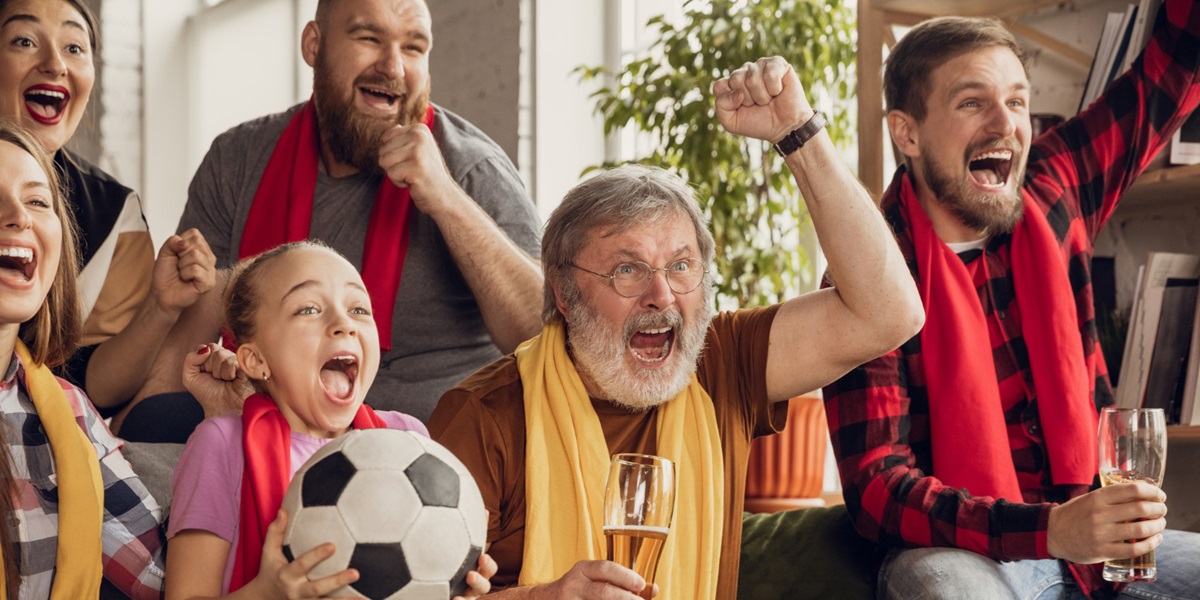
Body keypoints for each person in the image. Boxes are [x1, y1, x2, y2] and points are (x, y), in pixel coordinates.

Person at [428, 56, 926, 599]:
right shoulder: (483, 416)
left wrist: (797, 133)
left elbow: (890, 313)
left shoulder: (720, 364)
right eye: (627, 270)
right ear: (564, 293)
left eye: (681, 266)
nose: (661, 296)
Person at [821, 2, 1200, 598]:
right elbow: (877, 488)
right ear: (907, 132)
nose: (1007, 124)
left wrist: (1080, 531)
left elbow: (1172, 69)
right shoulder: (867, 271)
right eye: (973, 102)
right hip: (962, 555)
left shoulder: (1056, 187)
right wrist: (1049, 529)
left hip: (1096, 553)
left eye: (1018, 100)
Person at [120, 0, 542, 441]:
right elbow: (194, 328)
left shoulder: (471, 169)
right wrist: (129, 440)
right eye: (368, 38)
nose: (393, 66)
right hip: (269, 446)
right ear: (314, 45)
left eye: (414, 48)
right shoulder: (239, 160)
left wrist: (447, 200)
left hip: (427, 466)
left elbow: (543, 334)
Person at [164, 241, 497, 599]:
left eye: (358, 308)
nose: (343, 324)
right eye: (308, 309)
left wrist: (454, 583)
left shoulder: (407, 437)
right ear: (255, 360)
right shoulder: (222, 444)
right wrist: (265, 593)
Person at [0, 0, 217, 416]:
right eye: (25, 41)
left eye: (74, 48)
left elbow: (91, 385)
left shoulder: (115, 213)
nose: (55, 64)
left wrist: (162, 306)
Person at [0, 122, 164, 599]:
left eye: (36, 201)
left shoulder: (70, 413)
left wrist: (228, 430)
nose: (18, 217)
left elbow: (165, 579)